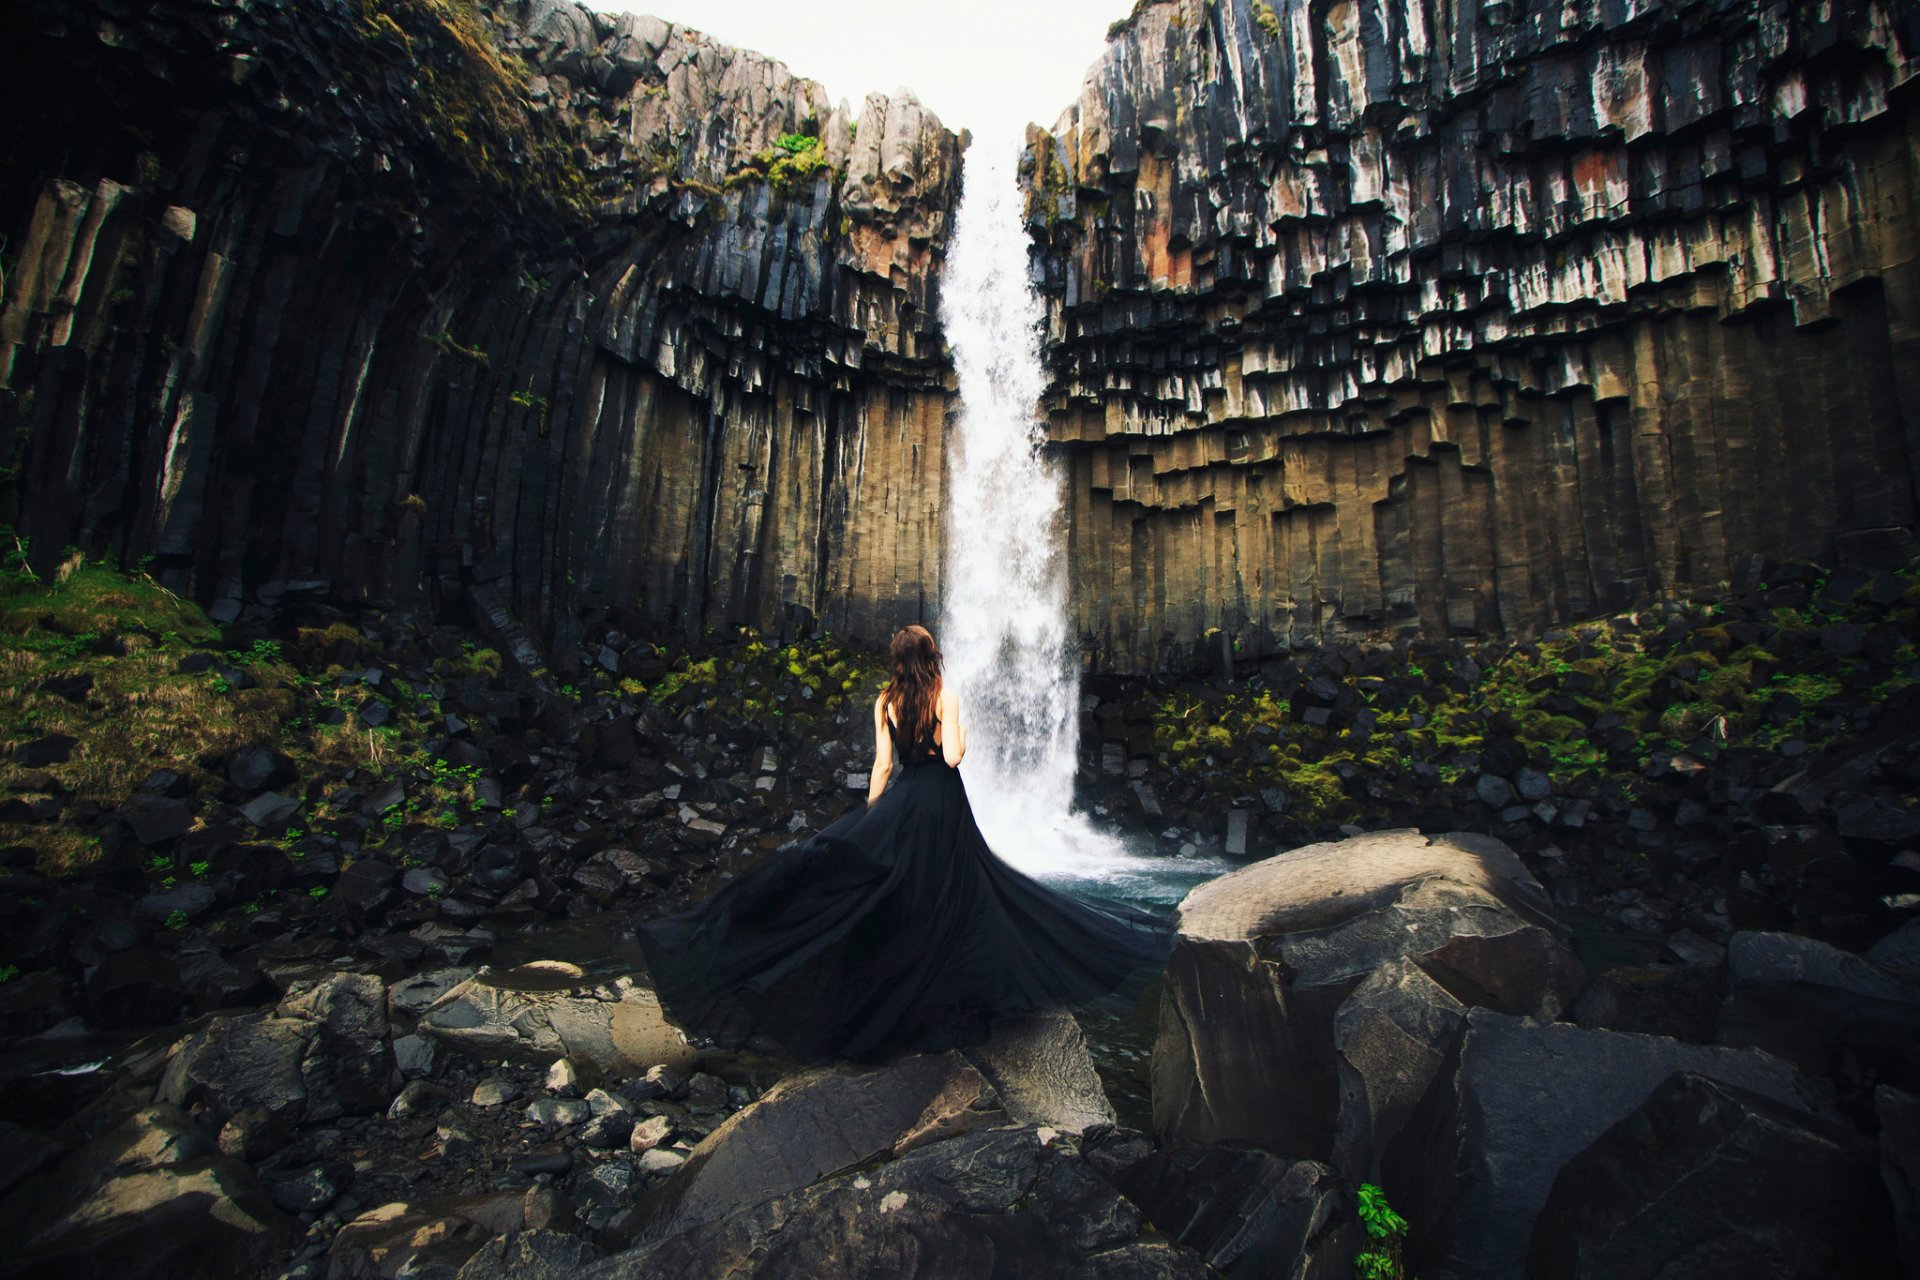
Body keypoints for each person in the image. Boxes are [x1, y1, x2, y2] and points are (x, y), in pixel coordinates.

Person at [636, 623, 1173, 1063]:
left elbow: (883, 766)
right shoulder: (946, 695)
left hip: (904, 805)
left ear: (897, 661)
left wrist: (871, 821)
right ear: (932, 656)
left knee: (898, 894)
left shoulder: (885, 702)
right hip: (942, 806)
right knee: (960, 893)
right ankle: (954, 988)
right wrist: (959, 726)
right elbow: (956, 758)